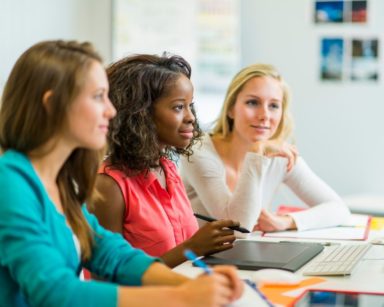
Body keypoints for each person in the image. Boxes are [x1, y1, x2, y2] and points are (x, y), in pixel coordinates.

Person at [0, 40, 242, 307]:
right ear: (53, 104)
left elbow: (111, 254)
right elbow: (55, 292)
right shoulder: (9, 183)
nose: (111, 110)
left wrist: (193, 285)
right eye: (97, 97)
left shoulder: (57, 183)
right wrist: (181, 296)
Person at [90, 54, 239, 268]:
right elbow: (106, 281)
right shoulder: (108, 187)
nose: (191, 117)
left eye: (190, 106)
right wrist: (191, 249)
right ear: (140, 114)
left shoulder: (166, 168)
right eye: (179, 107)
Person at [180, 63, 350, 232]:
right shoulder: (198, 151)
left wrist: (287, 221)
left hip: (246, 254)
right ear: (231, 109)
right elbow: (238, 227)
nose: (265, 116)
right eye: (253, 102)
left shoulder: (279, 156)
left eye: (274, 105)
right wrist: (256, 153)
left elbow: (339, 209)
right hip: (198, 258)